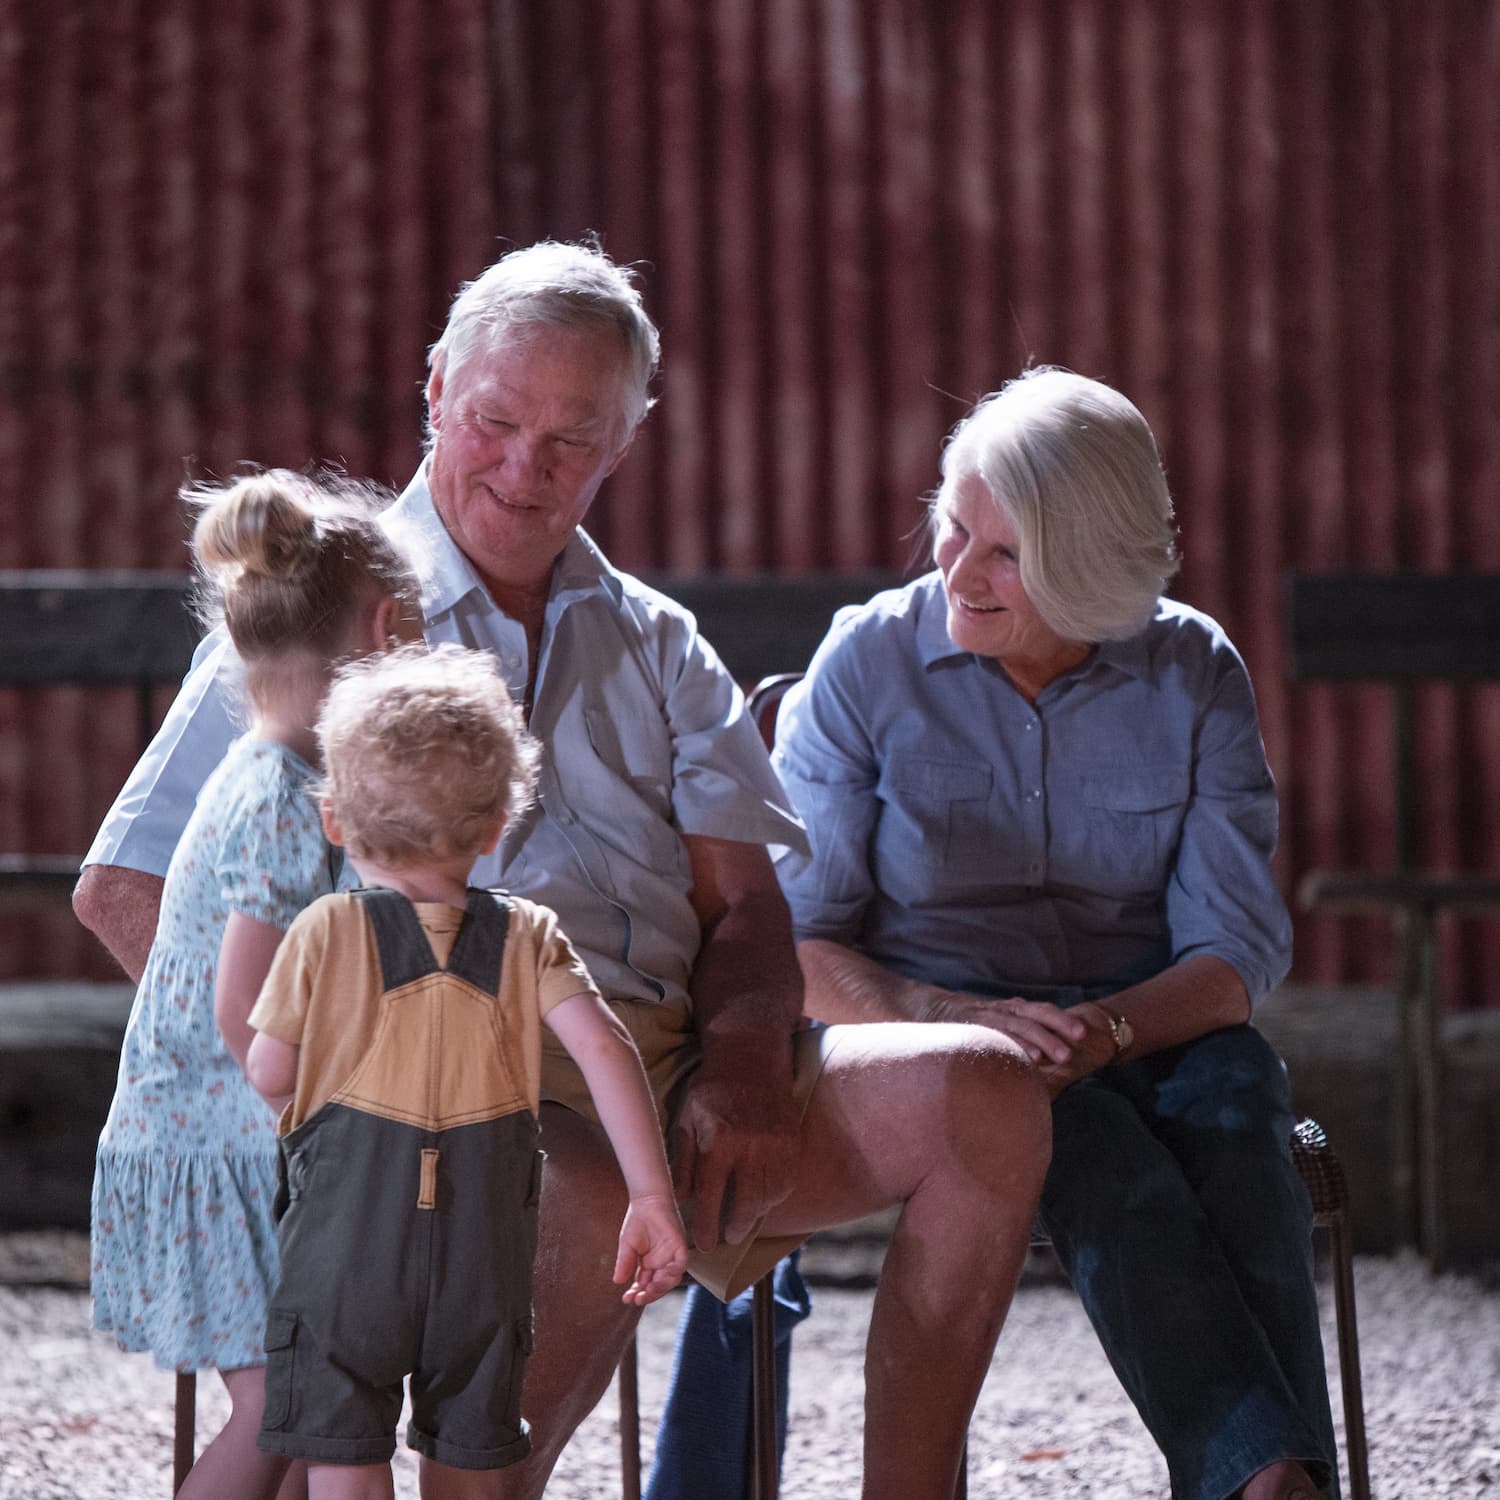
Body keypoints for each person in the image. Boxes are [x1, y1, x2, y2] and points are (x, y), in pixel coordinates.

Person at [74, 239, 1052, 1500]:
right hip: (443, 1082)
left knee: (985, 1095)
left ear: (620, 445)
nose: (524, 470)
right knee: (565, 1183)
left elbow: (748, 909)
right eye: (494, 421)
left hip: (667, 1065)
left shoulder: (658, 638)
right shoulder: (330, 611)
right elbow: (133, 888)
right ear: (435, 391)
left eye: (570, 441)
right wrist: (320, 1103)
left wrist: (750, 1058)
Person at [768, 367, 1340, 1500]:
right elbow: (795, 951)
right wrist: (959, 1022)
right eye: (952, 527)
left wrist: (1110, 1029)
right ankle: (1273, 1480)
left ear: (1090, 571)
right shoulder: (866, 665)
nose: (953, 570)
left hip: (1147, 1020)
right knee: (1091, 1144)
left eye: (1003, 556)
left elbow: (1233, 957)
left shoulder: (1194, 670)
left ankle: (1263, 1477)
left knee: (1236, 1103)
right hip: (936, 1044)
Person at [244, 645, 687, 1498]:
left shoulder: (325, 933)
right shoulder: (528, 936)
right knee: (469, 1457)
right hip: (481, 1267)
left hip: (346, 1259)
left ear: (335, 820)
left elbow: (269, 1068)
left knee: (345, 1456)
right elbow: (605, 1050)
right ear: (496, 829)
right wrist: (651, 1198)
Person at [89, 470, 420, 1500]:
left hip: (223, 1136)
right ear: (386, 627)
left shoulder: (271, 767)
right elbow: (246, 1008)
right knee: (286, 1403)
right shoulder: (280, 791)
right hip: (218, 1146)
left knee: (303, 1400)